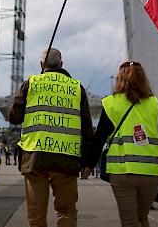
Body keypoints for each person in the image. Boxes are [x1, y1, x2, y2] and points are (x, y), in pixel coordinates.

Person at [83, 61, 158, 227]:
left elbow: (99, 139)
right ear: (143, 79)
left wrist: (88, 165)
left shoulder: (110, 104)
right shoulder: (155, 104)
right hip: (151, 174)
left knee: (129, 221)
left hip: (121, 173)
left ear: (119, 79)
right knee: (142, 216)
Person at [9, 48, 94, 227]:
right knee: (66, 212)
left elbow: (14, 117)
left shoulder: (30, 84)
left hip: (35, 158)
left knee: (36, 215)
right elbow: (87, 129)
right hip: (66, 160)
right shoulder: (76, 88)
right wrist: (89, 162)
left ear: (41, 65)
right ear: (61, 64)